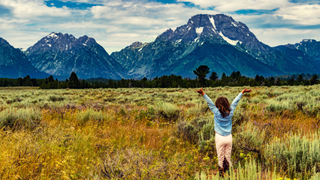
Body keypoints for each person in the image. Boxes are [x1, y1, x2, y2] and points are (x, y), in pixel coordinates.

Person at [196, 87, 251, 177]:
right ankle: (228, 176)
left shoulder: (217, 113)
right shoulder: (230, 112)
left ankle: (221, 176)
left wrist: (203, 93)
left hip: (219, 138)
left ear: (218, 104)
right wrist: (242, 92)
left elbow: (210, 103)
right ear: (227, 104)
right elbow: (235, 102)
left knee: (220, 158)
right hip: (229, 137)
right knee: (227, 157)